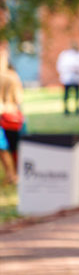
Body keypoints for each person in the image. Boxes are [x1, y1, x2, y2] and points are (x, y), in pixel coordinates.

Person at [0, 44, 24, 184]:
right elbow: (19, 99)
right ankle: (14, 175)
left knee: (3, 150)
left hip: (5, 116)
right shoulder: (12, 77)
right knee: (14, 149)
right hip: (11, 116)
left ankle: (10, 175)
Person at [57, 42, 79, 115]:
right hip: (67, 77)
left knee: (77, 94)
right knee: (67, 94)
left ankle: (77, 108)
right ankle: (66, 109)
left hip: (76, 77)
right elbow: (61, 66)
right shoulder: (65, 55)